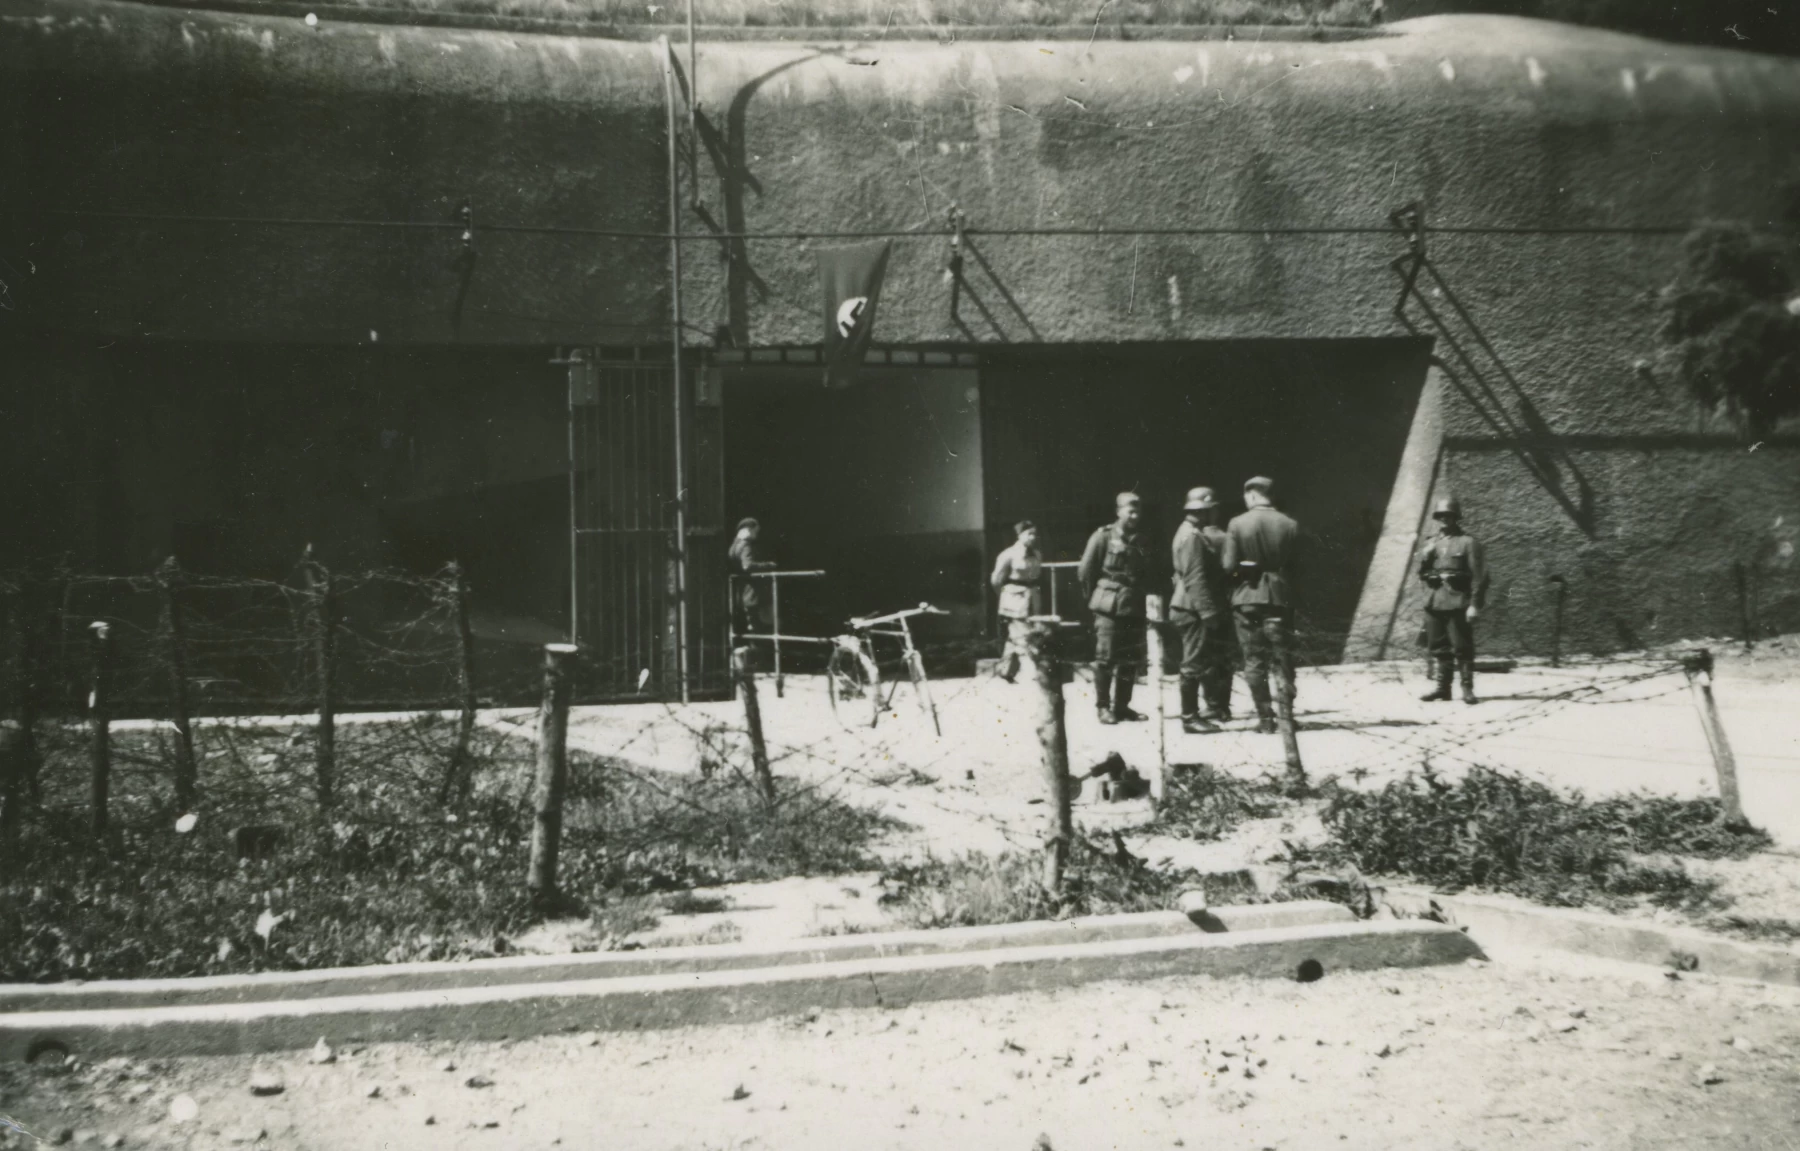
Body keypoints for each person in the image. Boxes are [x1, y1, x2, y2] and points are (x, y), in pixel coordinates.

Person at [1222, 476, 1300, 735]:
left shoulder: (1237, 523)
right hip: (1280, 596)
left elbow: (1228, 565)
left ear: (1252, 495)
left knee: (1254, 658)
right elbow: (1300, 567)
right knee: (1283, 657)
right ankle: (1287, 715)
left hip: (1247, 597)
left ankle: (1265, 719)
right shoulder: (1290, 524)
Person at [1079, 492, 1151, 725]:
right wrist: (1097, 600)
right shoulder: (1103, 537)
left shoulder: (1141, 539)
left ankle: (1122, 706)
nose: (1134, 515)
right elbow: (1085, 572)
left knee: (1130, 658)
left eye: (1137, 511)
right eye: (1130, 510)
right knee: (1105, 657)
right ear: (1118, 511)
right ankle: (1102, 707)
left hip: (1133, 605)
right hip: (1108, 606)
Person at [1169, 486, 1235, 733]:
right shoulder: (1193, 537)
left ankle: (1206, 710)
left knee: (1202, 660)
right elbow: (1195, 579)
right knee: (1193, 662)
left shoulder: (1189, 532)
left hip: (1191, 606)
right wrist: (1208, 613)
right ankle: (1189, 717)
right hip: (1192, 609)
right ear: (1205, 511)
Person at [1417, 495, 1490, 704]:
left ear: (1456, 518)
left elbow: (1480, 576)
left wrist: (1475, 604)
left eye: (1448, 516)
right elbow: (1421, 573)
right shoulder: (1431, 543)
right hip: (1434, 600)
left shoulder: (1468, 542)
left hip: (1458, 601)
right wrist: (1425, 556)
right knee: (1438, 646)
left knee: (1462, 646)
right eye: (1440, 516)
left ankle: (1467, 688)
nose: (1444, 520)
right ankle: (1443, 689)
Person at [990, 519, 1044, 683]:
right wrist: (1007, 597)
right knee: (1025, 635)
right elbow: (996, 581)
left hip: (1032, 597)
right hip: (1014, 601)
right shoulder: (1008, 555)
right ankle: (1037, 670)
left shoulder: (1037, 554)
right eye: (1029, 534)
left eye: (1035, 534)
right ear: (1020, 535)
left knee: (1016, 638)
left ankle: (1006, 670)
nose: (1033, 537)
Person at [728, 517, 777, 647]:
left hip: (744, 594)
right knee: (762, 628)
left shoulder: (734, 545)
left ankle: (757, 658)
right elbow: (747, 566)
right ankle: (763, 660)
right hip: (755, 594)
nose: (756, 535)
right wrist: (769, 565)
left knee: (754, 627)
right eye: (755, 531)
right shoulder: (745, 546)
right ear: (748, 530)